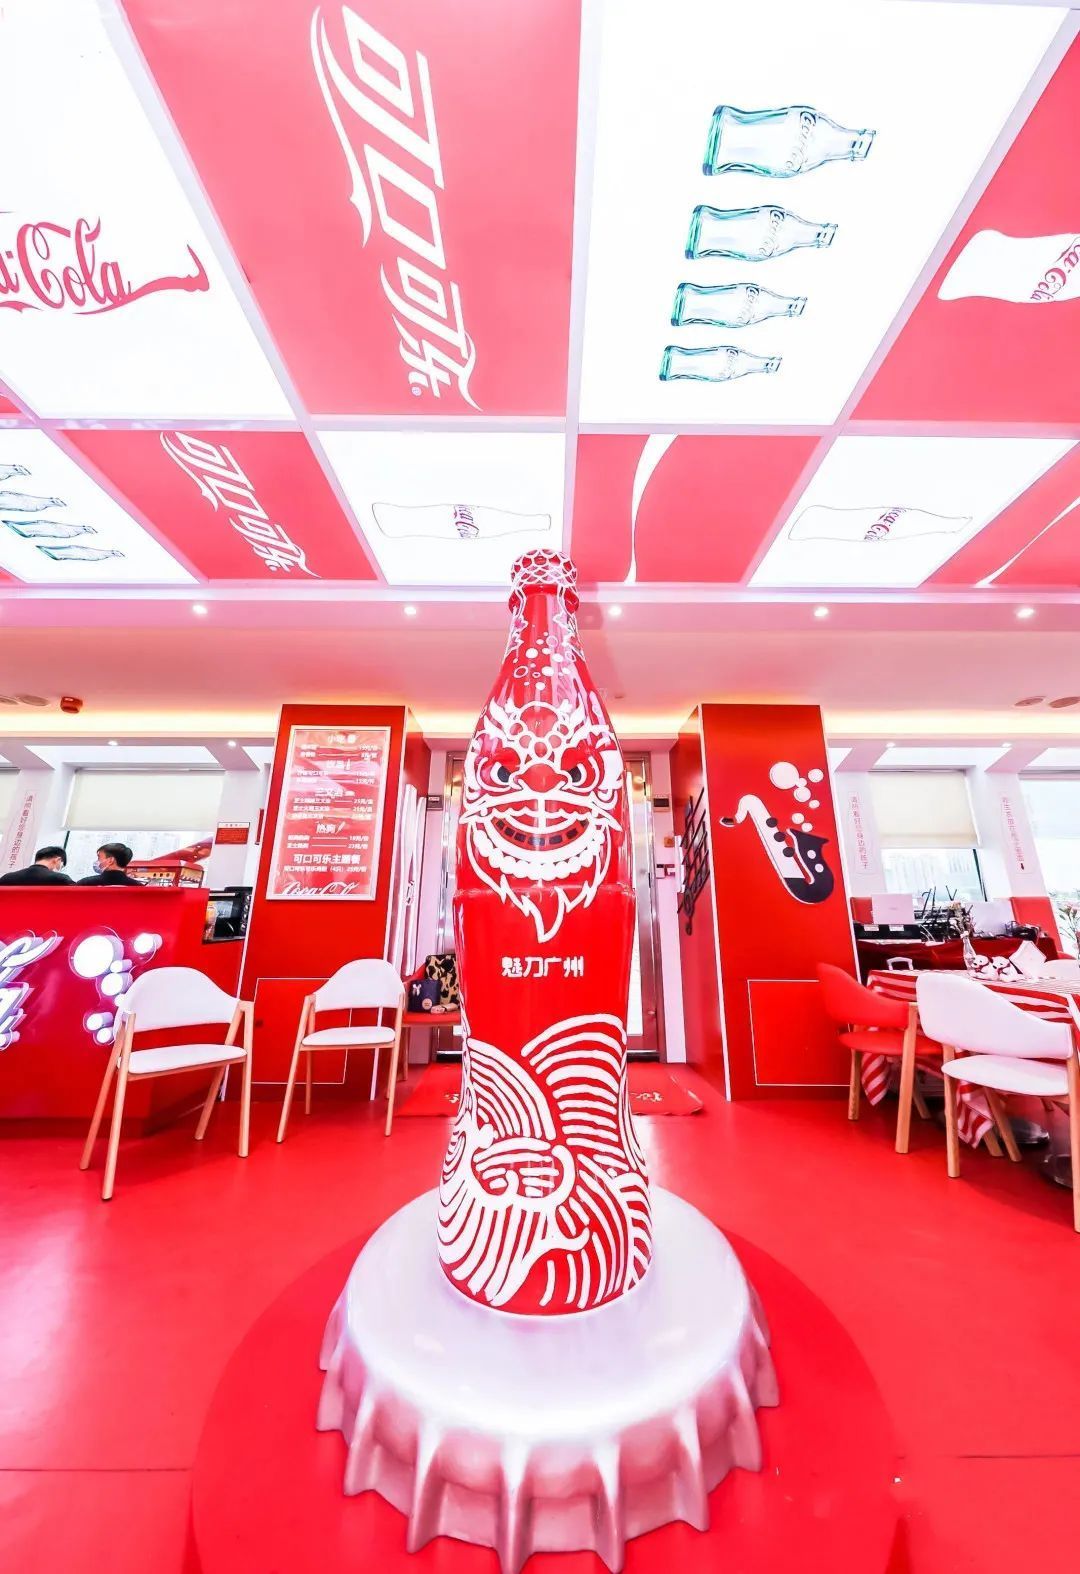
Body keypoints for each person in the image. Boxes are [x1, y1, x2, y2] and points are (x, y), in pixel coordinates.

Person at [0, 845, 74, 886]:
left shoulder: (6, 878)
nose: (60, 869)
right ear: (58, 860)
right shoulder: (61, 879)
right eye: (61, 866)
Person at [77, 842, 145, 887]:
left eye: (99, 857)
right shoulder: (139, 886)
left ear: (110, 860)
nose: (97, 861)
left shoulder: (85, 883)